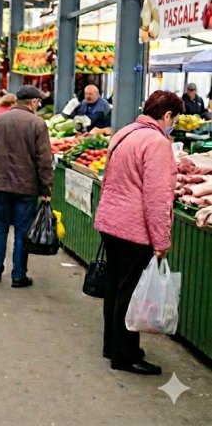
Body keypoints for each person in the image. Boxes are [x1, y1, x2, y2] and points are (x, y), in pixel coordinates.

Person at [94, 91, 183, 376]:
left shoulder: (124, 133)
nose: (174, 124)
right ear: (167, 115)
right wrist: (162, 240)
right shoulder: (157, 142)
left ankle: (112, 345)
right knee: (129, 293)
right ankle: (125, 354)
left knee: (116, 287)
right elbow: (157, 197)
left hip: (111, 222)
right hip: (134, 228)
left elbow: (108, 178)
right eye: (175, 119)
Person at [0, 85, 53, 287]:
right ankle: (18, 275)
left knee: (0, 228)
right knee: (22, 230)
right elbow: (44, 160)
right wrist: (46, 189)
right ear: (34, 102)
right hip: (26, 187)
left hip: (0, 184)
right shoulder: (38, 124)